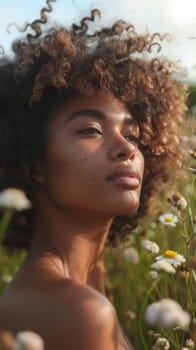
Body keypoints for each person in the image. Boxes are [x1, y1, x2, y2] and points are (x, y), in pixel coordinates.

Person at [0, 2, 187, 349]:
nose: (126, 149)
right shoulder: (77, 311)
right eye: (90, 130)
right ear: (33, 161)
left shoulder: (87, 292)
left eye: (132, 135)